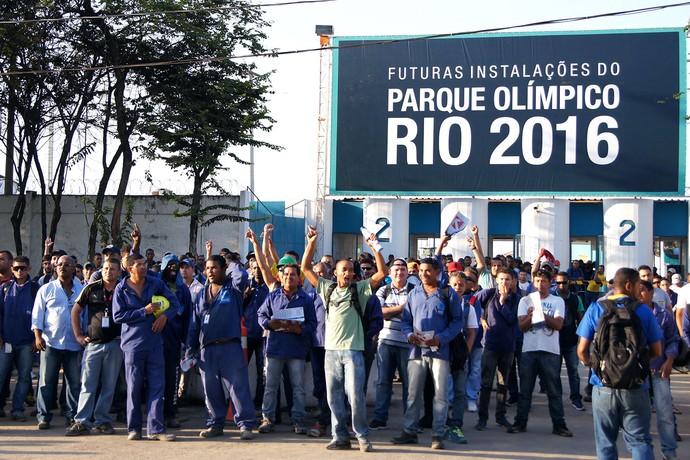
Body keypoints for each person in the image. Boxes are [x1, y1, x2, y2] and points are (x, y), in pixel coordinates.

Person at [301, 225, 388, 453]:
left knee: (356, 396)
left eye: (351, 270)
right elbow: (305, 268)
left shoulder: (359, 289)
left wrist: (375, 248)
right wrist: (311, 243)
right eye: (344, 270)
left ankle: (361, 435)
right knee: (333, 398)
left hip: (354, 352)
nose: (348, 273)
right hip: (330, 352)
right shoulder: (326, 288)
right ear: (335, 273)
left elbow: (382, 274)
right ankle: (339, 436)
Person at [577, 268, 662, 460]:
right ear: (629, 285)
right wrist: (636, 365)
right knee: (640, 440)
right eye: (639, 286)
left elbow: (582, 350)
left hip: (603, 385)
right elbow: (657, 351)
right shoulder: (644, 311)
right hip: (636, 387)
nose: (640, 291)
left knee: (606, 443)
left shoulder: (597, 308)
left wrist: (596, 367)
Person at [390, 257, 463, 450]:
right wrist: (409, 335)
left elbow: (457, 322)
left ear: (437, 271)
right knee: (413, 393)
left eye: (427, 271)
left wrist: (441, 338)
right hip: (416, 352)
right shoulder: (414, 294)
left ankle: (438, 434)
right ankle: (409, 431)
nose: (423, 274)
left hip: (440, 351)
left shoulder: (448, 294)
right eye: (420, 271)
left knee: (440, 394)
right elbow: (406, 320)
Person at [186, 253, 256, 440]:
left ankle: (245, 425)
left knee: (238, 387)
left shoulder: (233, 289)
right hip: (207, 349)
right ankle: (215, 424)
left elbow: (241, 275)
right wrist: (190, 348)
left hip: (230, 346)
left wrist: (231, 261)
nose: (210, 271)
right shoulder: (202, 292)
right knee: (211, 390)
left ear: (224, 269)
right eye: (207, 268)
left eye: (215, 267)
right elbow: (195, 322)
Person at [112, 254, 181, 441]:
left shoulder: (155, 283)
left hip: (155, 344)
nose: (144, 267)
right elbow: (118, 316)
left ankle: (156, 429)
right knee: (133, 389)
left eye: (145, 264)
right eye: (139, 265)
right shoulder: (121, 289)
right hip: (132, 346)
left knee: (157, 386)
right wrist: (145, 311)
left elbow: (174, 304)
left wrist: (164, 317)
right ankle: (134, 429)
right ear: (129, 268)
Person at [509, 269, 572, 437]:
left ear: (550, 282)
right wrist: (531, 317)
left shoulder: (557, 301)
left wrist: (541, 314)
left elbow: (558, 325)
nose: (540, 284)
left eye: (544, 281)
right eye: (537, 281)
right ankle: (520, 422)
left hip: (550, 350)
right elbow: (522, 327)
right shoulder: (525, 300)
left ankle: (559, 424)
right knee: (525, 390)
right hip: (529, 350)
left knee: (553, 390)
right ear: (533, 282)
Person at [257, 263, 316, 435]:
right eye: (286, 275)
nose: (289, 277)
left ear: (299, 278)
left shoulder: (306, 299)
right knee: (270, 386)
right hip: (275, 348)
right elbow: (261, 314)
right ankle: (267, 418)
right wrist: (268, 324)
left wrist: (301, 330)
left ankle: (298, 419)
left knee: (298, 387)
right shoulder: (272, 296)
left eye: (293, 275)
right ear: (280, 277)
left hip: (296, 349)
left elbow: (313, 323)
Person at [66, 257, 123, 435]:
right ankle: (82, 421)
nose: (108, 272)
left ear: (119, 271)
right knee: (88, 384)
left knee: (109, 385)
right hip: (93, 345)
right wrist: (78, 335)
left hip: (115, 344)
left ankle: (102, 420)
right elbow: (76, 311)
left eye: (113, 269)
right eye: (106, 268)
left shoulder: (123, 289)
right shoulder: (91, 288)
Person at [32, 255, 84, 430]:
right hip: (51, 342)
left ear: (74, 268)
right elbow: (37, 315)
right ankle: (44, 417)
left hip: (73, 342)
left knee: (73, 382)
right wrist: (38, 337)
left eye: (67, 264)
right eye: (59, 264)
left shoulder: (81, 288)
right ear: (55, 268)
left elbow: (84, 315)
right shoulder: (46, 289)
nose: (62, 267)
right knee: (46, 381)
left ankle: (71, 415)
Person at [369, 258, 414, 431]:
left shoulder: (415, 291)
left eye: (403, 269)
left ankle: (410, 421)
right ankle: (380, 418)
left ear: (407, 272)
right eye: (396, 269)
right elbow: (379, 314)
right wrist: (402, 309)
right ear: (390, 272)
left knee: (409, 384)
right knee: (383, 381)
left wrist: (391, 311)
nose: (399, 272)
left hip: (408, 343)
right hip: (386, 341)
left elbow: (414, 316)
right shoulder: (383, 290)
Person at [473, 269, 519, 431]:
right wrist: (480, 318)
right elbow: (471, 303)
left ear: (513, 282)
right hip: (490, 345)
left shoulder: (516, 299)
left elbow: (512, 319)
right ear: (496, 280)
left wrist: (503, 300)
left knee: (503, 383)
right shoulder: (488, 294)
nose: (504, 283)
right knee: (486, 382)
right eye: (501, 279)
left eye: (507, 279)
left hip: (507, 346)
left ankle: (501, 416)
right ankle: (482, 417)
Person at [638, 280, 679, 460]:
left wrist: (669, 360)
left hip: (659, 371)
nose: (639, 294)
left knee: (665, 415)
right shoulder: (631, 313)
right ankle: (642, 452)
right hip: (637, 374)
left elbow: (673, 339)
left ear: (651, 293)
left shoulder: (663, 315)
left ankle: (669, 452)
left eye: (642, 291)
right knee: (639, 416)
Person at [0, 256, 39, 422]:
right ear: (11, 268)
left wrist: (36, 338)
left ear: (29, 269)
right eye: (16, 268)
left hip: (27, 342)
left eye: (22, 268)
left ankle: (17, 409)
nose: (19, 271)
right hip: (6, 341)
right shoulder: (5, 288)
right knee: (1, 375)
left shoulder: (36, 289)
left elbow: (41, 316)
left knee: (24, 377)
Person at [446, 271, 477, 444]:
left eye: (461, 285)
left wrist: (466, 352)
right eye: (455, 284)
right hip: (444, 350)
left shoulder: (469, 307)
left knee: (459, 391)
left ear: (467, 287)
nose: (458, 287)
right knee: (442, 390)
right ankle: (443, 422)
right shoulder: (443, 304)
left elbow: (471, 333)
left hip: (459, 352)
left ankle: (456, 423)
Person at [554, 272, 585, 411]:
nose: (561, 285)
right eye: (559, 283)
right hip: (554, 341)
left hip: (571, 341)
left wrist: (582, 341)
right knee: (555, 372)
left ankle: (576, 398)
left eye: (564, 283)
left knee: (573, 371)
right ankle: (556, 398)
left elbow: (581, 320)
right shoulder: (552, 298)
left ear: (568, 283)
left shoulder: (575, 298)